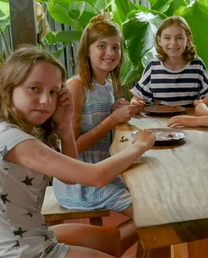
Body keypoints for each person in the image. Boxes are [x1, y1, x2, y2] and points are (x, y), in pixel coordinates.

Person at [0, 46, 155, 257]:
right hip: (20, 252)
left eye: (53, 92)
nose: (46, 101)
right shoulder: (13, 140)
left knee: (109, 240)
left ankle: (153, 224)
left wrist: (65, 125)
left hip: (15, 239)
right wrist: (140, 145)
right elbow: (96, 176)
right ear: (8, 87)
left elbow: (67, 179)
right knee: (146, 218)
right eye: (34, 89)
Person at [52, 14, 140, 254]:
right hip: (80, 182)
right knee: (152, 212)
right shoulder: (76, 87)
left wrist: (113, 109)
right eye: (102, 46)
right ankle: (107, 249)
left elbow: (100, 124)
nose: (110, 52)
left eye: (116, 47)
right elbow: (73, 149)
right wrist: (112, 119)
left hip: (103, 172)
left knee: (153, 191)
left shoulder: (107, 85)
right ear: (86, 51)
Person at [129, 16, 208, 107]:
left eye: (179, 38)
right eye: (167, 38)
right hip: (158, 120)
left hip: (188, 119)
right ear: (159, 40)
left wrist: (202, 103)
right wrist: (135, 102)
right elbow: (137, 97)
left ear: (189, 39)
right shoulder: (153, 66)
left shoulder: (197, 65)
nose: (173, 43)